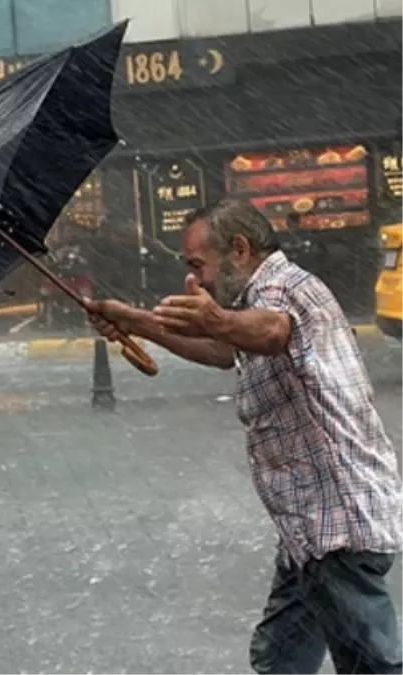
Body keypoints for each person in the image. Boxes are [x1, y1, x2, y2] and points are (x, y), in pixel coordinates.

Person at [86, 199, 403, 674]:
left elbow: (272, 331)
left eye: (199, 265)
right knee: (281, 658)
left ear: (239, 248)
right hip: (308, 529)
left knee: (371, 664)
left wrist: (214, 319)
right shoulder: (254, 301)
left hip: (336, 524)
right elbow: (221, 348)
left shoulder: (281, 288)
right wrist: (134, 321)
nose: (200, 278)